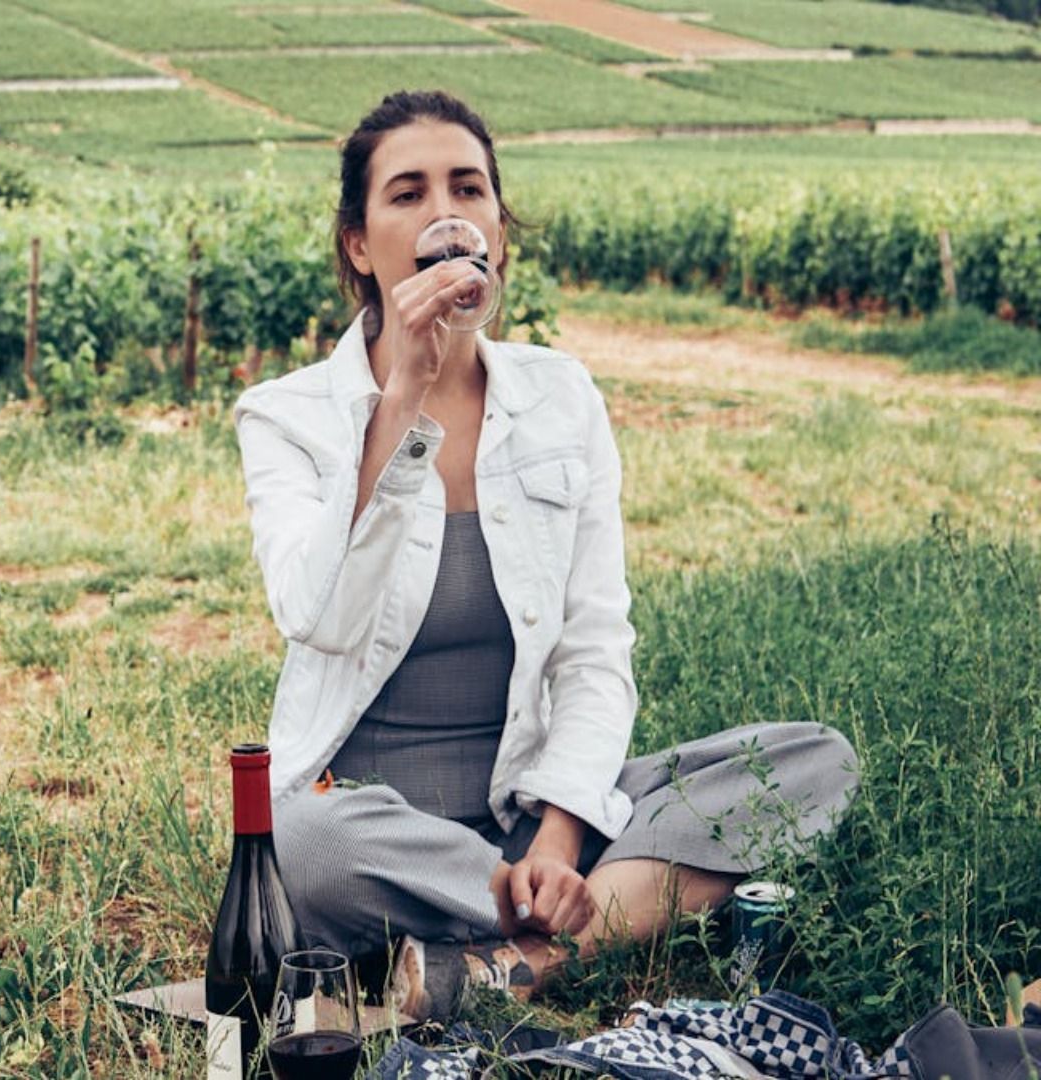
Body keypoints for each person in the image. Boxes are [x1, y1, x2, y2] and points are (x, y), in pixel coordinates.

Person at [232, 89, 860, 1021]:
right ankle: (577, 922)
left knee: (812, 761)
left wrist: (561, 839)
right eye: (407, 194)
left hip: (532, 810)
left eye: (469, 188)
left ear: (498, 230)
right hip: (373, 825)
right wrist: (400, 399)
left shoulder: (562, 398)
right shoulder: (285, 418)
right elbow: (315, 615)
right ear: (360, 246)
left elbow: (595, 649)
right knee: (297, 839)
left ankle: (510, 963)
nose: (445, 214)